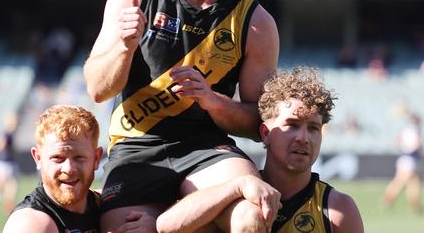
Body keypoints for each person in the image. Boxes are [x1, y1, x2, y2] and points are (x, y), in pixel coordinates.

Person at [83, 0, 280, 232]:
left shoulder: (255, 24)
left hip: (206, 149)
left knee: (253, 213)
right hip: (135, 147)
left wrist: (212, 101)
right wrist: (124, 47)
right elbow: (97, 88)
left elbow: (256, 125)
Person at [155, 66, 364, 233]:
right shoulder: (236, 193)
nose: (303, 138)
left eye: (313, 128)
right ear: (265, 133)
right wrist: (237, 186)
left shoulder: (337, 210)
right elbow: (165, 225)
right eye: (291, 125)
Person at [3, 105, 103, 233]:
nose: (69, 169)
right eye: (57, 157)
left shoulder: (110, 206)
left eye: (79, 157)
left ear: (96, 158)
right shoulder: (29, 224)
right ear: (38, 158)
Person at [381, 112, 423, 214]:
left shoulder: (405, 129)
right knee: (401, 181)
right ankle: (387, 200)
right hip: (410, 158)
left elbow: (397, 140)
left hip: (405, 157)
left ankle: (415, 205)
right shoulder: (415, 130)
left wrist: (403, 147)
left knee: (414, 182)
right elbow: (417, 144)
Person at [0, 112, 20, 213]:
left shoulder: (9, 133)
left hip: (7, 162)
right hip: (3, 163)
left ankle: (9, 207)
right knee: (4, 184)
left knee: (11, 185)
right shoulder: (6, 133)